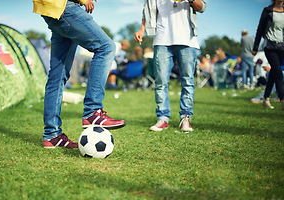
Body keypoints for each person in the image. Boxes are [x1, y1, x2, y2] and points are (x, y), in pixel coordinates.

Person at [33, 0, 126, 149]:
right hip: (65, 7)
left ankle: (52, 135)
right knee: (106, 47)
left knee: (57, 76)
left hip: (51, 10)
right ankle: (92, 111)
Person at [134, 0, 206, 132]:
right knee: (160, 82)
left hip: (187, 39)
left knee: (187, 81)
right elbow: (147, 10)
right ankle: (162, 118)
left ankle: (185, 118)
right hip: (162, 39)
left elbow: (202, 7)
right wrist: (142, 29)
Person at [253, 0, 284, 110]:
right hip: (269, 46)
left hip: (282, 46)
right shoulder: (267, 10)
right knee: (278, 73)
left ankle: (266, 98)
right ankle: (282, 98)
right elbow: (260, 29)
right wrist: (255, 46)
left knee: (274, 73)